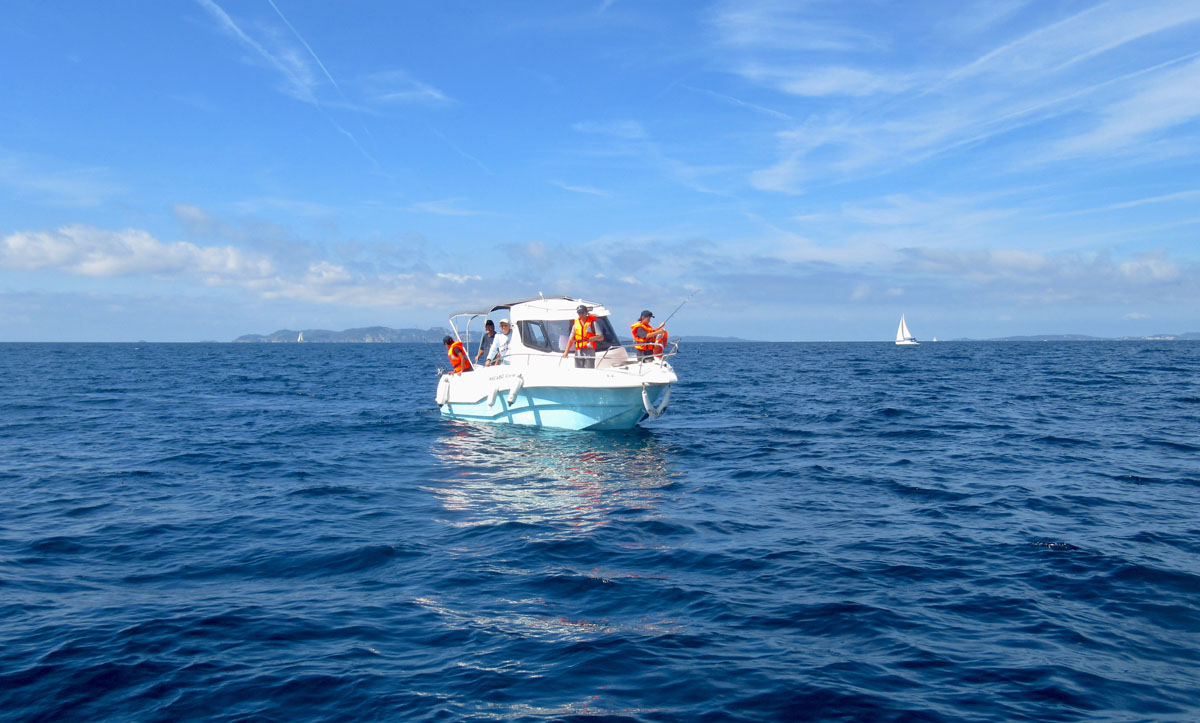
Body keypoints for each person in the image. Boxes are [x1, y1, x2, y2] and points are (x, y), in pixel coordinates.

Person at [562, 304, 598, 368]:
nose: (581, 315)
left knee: (589, 371)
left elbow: (601, 337)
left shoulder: (593, 323)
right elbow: (571, 340)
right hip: (578, 351)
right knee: (578, 371)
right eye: (579, 313)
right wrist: (566, 352)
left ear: (586, 312)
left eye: (582, 313)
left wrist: (594, 338)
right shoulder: (576, 324)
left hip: (589, 351)